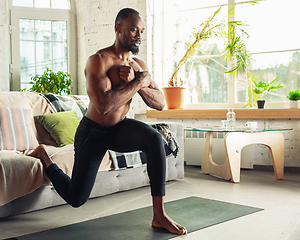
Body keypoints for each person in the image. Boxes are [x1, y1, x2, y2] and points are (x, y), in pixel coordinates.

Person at [29, 8, 187, 235]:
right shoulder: (98, 61)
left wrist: (139, 82)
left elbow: (160, 103)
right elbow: (104, 105)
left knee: (154, 137)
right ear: (118, 28)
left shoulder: (139, 64)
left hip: (120, 128)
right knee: (76, 198)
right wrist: (137, 83)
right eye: (133, 29)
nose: (138, 35)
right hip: (93, 132)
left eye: (141, 30)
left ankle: (159, 215)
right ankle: (44, 157)